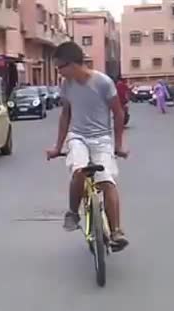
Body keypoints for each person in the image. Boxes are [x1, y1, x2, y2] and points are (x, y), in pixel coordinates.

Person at [46, 41, 130, 252]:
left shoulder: (103, 82)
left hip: (102, 139)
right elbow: (66, 114)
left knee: (107, 182)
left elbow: (118, 113)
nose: (59, 72)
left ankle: (116, 231)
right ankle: (73, 213)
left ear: (73, 64)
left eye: (60, 67)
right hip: (78, 137)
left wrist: (118, 145)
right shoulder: (67, 85)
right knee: (79, 171)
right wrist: (57, 146)